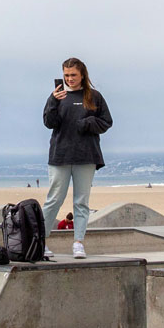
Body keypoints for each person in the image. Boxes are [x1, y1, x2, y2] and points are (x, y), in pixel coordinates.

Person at [41, 57, 112, 259]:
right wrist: (54, 101)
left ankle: (78, 242)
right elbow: (49, 122)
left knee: (81, 201)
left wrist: (88, 122)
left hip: (86, 155)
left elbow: (107, 122)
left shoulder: (94, 96)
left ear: (82, 75)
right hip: (60, 155)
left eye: (73, 75)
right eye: (66, 75)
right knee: (54, 199)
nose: (70, 79)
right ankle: (41, 241)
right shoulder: (57, 95)